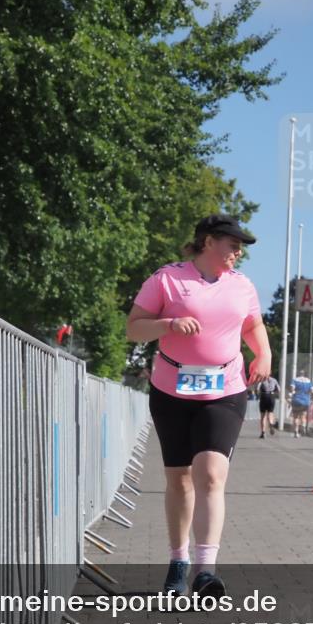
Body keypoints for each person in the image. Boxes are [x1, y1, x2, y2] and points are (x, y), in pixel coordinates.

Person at [126, 214, 271, 598]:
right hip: (171, 389)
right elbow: (134, 327)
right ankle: (178, 562)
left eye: (240, 247)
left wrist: (264, 354)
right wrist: (169, 325)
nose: (238, 253)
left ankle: (206, 570)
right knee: (179, 479)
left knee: (210, 474)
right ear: (209, 242)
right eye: (232, 245)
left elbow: (253, 326)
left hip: (224, 388)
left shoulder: (242, 286)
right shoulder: (167, 279)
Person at [290, 370, 313, 438]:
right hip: (305, 401)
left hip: (296, 400)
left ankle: (296, 432)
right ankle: (303, 426)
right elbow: (312, 390)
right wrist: (307, 393)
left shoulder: (295, 380)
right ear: (304, 374)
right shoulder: (308, 381)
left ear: (298, 374)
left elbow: (292, 389)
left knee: (296, 417)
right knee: (303, 415)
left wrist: (294, 392)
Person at [257, 374, 279, 438]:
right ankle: (271, 424)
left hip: (264, 396)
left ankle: (263, 432)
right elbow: (279, 389)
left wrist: (259, 395)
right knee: (270, 413)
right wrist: (274, 394)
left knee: (263, 416)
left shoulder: (261, 380)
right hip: (272, 396)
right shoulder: (274, 380)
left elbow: (257, 389)